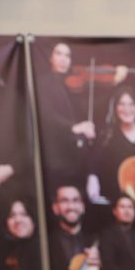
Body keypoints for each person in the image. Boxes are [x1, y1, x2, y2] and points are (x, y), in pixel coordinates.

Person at [35, 42, 96, 194]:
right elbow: (46, 115)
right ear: (50, 58)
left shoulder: (76, 85)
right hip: (55, 156)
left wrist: (88, 127)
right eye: (59, 54)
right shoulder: (42, 83)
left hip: (77, 157)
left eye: (67, 56)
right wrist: (73, 127)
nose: (63, 59)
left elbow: (85, 111)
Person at [86, 86, 135, 210]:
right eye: (121, 104)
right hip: (115, 200)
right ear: (115, 108)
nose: (126, 109)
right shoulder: (107, 134)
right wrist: (92, 178)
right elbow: (94, 163)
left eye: (131, 104)